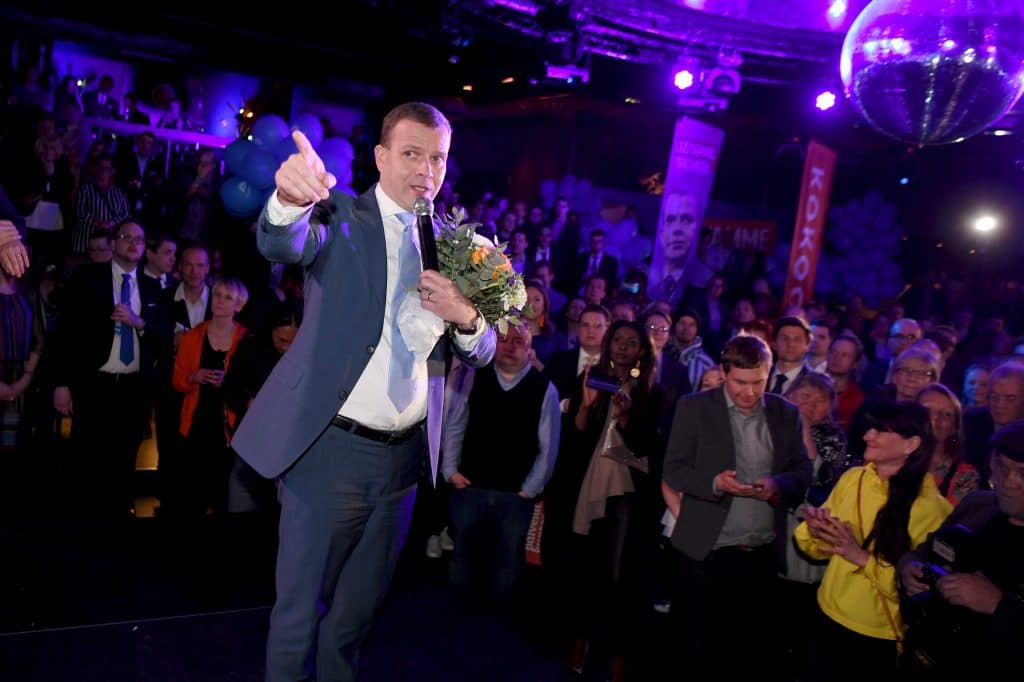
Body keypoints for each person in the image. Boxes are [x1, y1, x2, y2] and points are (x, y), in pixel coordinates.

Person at [230, 102, 496, 681]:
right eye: (411, 153)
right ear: (380, 156)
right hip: (330, 453)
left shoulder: (454, 244)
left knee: (354, 620)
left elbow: (484, 351)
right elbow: (282, 244)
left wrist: (468, 317)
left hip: (405, 464)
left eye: (437, 158)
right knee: (299, 617)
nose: (425, 169)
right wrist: (288, 200)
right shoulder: (340, 214)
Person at [662, 334, 811, 677]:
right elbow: (673, 469)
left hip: (761, 553)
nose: (750, 392)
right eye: (741, 383)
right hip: (705, 551)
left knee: (748, 654)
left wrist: (777, 485)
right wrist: (716, 483)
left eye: (758, 382)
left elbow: (802, 471)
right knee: (696, 652)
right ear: (724, 372)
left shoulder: (785, 413)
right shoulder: (695, 407)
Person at [794, 401, 952, 681]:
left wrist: (860, 557)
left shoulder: (930, 508)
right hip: (827, 615)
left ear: (911, 444)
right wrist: (815, 531)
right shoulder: (854, 479)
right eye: (870, 428)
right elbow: (817, 550)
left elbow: (920, 586)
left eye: (880, 431)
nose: (868, 436)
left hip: (878, 636)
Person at [897, 420, 1024, 676]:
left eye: (1023, 473)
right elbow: (926, 550)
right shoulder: (978, 505)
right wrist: (908, 568)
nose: (1009, 481)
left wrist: (997, 604)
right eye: (1002, 467)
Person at [650, 191, 698, 311]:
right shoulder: (644, 276)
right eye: (670, 220)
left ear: (696, 230)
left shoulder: (697, 285)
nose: (677, 229)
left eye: (686, 220)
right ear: (661, 233)